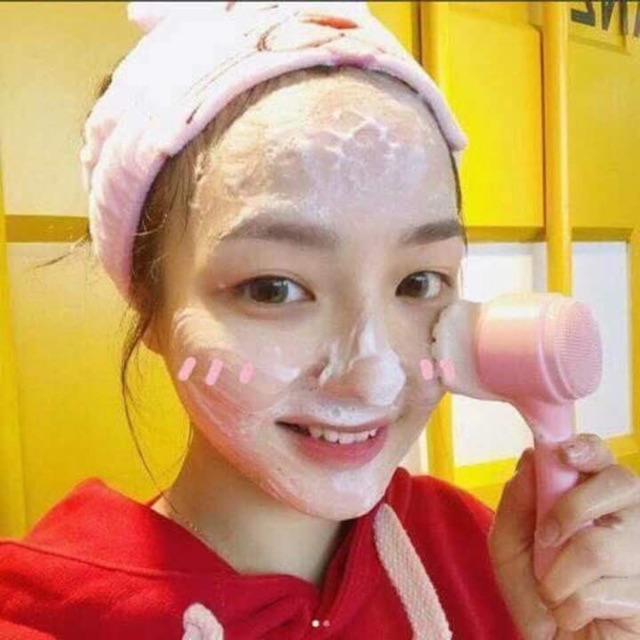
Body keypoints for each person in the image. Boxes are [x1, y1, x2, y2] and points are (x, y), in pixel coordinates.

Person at [1, 3, 639, 639]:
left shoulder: (489, 559)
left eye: (418, 283)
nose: (373, 378)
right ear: (149, 306)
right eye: (274, 289)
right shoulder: (48, 619)